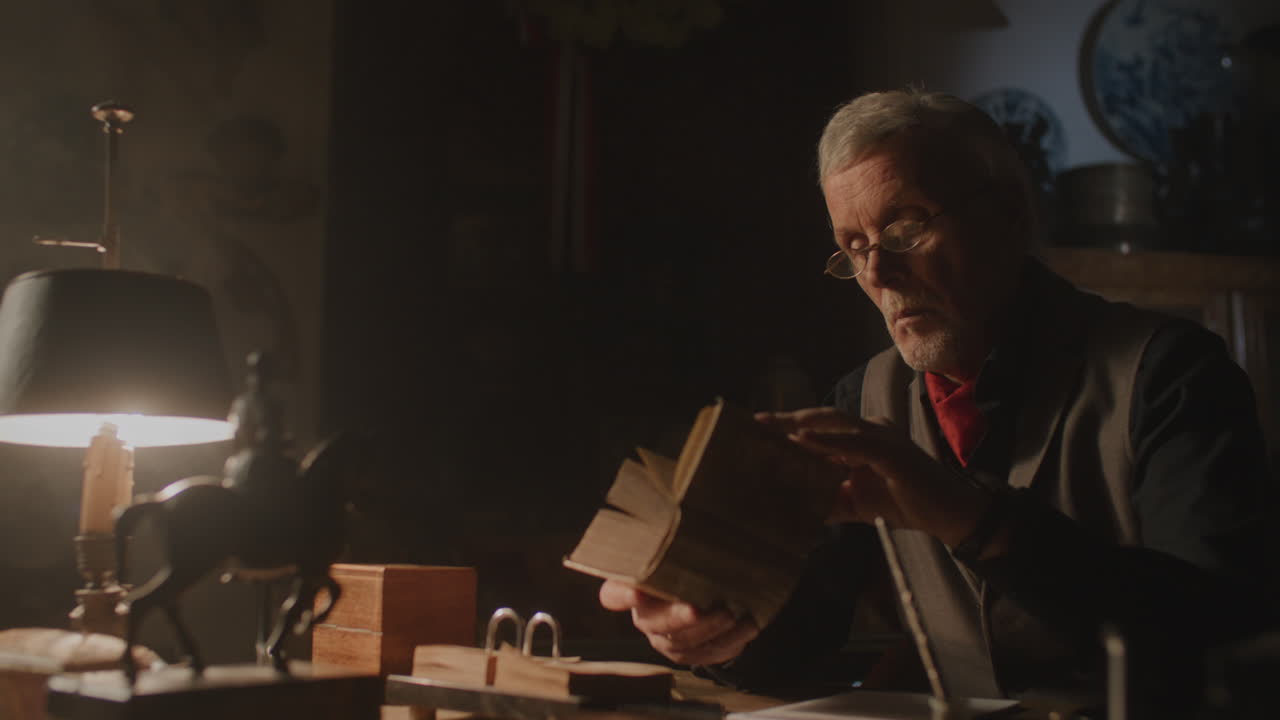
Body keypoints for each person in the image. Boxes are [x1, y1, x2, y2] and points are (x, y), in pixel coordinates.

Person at [598, 89, 1275, 709]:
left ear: (1010, 214)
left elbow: (1219, 633)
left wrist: (976, 521)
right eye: (852, 247)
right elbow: (806, 635)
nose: (879, 274)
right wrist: (713, 628)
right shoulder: (865, 399)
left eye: (905, 230)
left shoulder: (1170, 371)